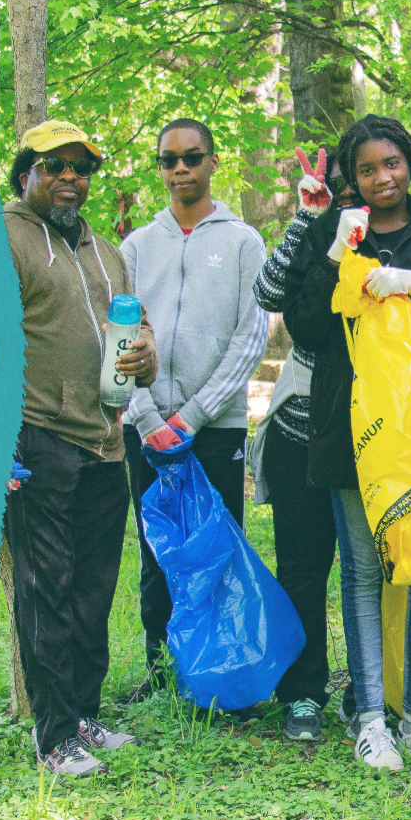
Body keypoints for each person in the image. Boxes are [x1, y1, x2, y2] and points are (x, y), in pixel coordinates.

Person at [282, 114, 411, 771]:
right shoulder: (332, 230)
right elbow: (305, 326)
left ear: (410, 163)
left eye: (392, 163)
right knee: (366, 572)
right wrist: (338, 251)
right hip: (352, 430)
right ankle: (371, 717)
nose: (382, 177)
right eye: (368, 168)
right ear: (353, 176)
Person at [3, 119, 158, 777]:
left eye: (82, 167)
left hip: (105, 440)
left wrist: (146, 351)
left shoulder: (107, 249)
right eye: (55, 165)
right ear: (26, 174)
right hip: (36, 437)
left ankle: (85, 714)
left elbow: (132, 324)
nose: (71, 177)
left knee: (94, 587)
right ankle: (54, 735)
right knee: (48, 590)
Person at [122, 118, 269, 698]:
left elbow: (250, 337)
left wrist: (192, 417)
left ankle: (213, 674)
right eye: (168, 160)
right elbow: (120, 336)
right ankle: (160, 673)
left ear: (212, 161)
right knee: (158, 550)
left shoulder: (243, 242)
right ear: (159, 167)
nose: (180, 168)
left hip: (214, 427)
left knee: (214, 548)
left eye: (192, 157)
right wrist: (150, 417)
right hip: (148, 426)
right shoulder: (135, 246)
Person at [249, 146, 348, 742]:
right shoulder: (315, 228)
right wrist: (306, 215)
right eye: (338, 182)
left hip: (372, 436)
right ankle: (304, 695)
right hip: (300, 433)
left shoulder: (406, 236)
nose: (350, 193)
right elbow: (267, 293)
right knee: (303, 570)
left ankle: (373, 691)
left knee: (376, 574)